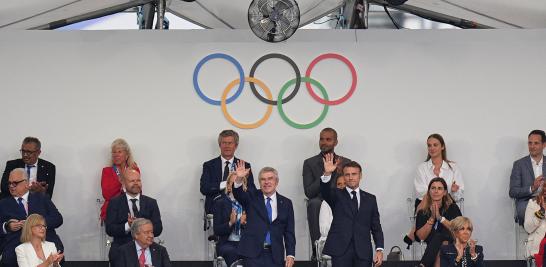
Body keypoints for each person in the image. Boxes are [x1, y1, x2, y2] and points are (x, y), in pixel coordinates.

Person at [320, 157, 384, 267]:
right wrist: (327, 173)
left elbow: (376, 226)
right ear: (343, 176)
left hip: (363, 252)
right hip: (341, 251)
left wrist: (379, 249)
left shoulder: (370, 199)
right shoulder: (336, 195)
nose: (350, 177)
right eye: (347, 174)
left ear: (360, 176)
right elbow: (325, 191)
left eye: (354, 174)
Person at [232, 163, 295, 267]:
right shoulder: (251, 197)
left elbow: (289, 232)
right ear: (259, 183)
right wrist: (239, 179)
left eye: (270, 178)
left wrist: (290, 254)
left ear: (276, 181)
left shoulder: (287, 203)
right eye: (263, 179)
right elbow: (239, 194)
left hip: (275, 255)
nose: (266, 182)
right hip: (252, 254)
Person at [406, 133, 464, 246]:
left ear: (442, 147)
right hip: (426, 204)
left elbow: (458, 195)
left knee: (452, 211)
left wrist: (454, 191)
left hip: (447, 204)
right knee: (440, 234)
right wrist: (441, 192)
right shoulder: (422, 168)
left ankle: (413, 232)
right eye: (429, 145)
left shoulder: (453, 167)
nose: (431, 148)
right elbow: (420, 192)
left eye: (435, 145)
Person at [302, 127, 351, 259]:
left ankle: (349, 247)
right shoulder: (309, 163)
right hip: (320, 200)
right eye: (322, 139)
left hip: (342, 202)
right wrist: (326, 174)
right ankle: (317, 249)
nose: (324, 142)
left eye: (328, 139)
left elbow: (351, 186)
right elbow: (309, 192)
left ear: (336, 142)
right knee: (313, 203)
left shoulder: (345, 162)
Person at [0, 168, 64, 267]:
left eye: (15, 183)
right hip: (16, 243)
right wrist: (7, 226)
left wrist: (37, 223)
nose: (11, 186)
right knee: (9, 259)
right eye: (9, 183)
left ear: (26, 183)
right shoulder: (3, 204)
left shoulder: (42, 198)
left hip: (44, 240)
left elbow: (58, 219)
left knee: (55, 254)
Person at [106, 169, 162, 264]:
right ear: (123, 184)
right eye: (132, 181)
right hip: (121, 250)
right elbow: (110, 229)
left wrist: (145, 228)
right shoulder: (114, 203)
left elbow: (158, 229)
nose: (136, 183)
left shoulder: (151, 203)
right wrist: (128, 225)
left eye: (138, 180)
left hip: (146, 249)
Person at [200, 129, 256, 215]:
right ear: (219, 145)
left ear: (236, 146)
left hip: (239, 211)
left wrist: (239, 183)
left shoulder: (244, 166)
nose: (227, 146)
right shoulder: (209, 165)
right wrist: (227, 183)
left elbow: (252, 191)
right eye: (224, 143)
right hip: (215, 211)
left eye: (230, 143)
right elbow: (204, 189)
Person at [415, 177, 462, 267]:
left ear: (444, 192)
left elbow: (460, 230)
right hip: (432, 247)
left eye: (439, 188)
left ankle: (423, 264)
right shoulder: (422, 212)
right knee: (441, 242)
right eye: (433, 188)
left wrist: (440, 218)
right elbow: (421, 237)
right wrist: (432, 218)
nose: (436, 191)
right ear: (429, 191)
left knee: (442, 239)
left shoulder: (453, 208)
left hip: (452, 243)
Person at [510, 129, 546, 225]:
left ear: (544, 145)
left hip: (545, 201)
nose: (532, 146)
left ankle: (537, 239)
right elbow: (513, 192)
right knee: (536, 215)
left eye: (536, 143)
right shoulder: (519, 164)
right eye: (530, 143)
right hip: (527, 203)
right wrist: (532, 188)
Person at [101, 138, 140, 222]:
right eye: (114, 152)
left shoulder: (134, 169)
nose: (116, 154)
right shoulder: (107, 171)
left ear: (126, 155)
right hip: (112, 210)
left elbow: (137, 190)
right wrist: (122, 181)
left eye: (119, 152)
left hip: (131, 209)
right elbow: (106, 194)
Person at [213, 172, 247, 266]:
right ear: (228, 186)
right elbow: (217, 230)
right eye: (232, 183)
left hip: (246, 241)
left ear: (243, 186)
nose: (235, 186)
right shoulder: (219, 203)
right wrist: (231, 222)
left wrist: (244, 223)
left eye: (238, 183)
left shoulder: (249, 204)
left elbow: (257, 229)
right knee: (232, 252)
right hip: (227, 242)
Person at [318, 175, 346, 242]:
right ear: (335, 186)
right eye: (339, 184)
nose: (342, 187)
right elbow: (323, 230)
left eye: (345, 183)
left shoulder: (357, 201)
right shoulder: (327, 202)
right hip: (332, 241)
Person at [524, 182, 546, 257]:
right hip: (536, 250)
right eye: (544, 193)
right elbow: (528, 228)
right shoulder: (533, 204)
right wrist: (541, 211)